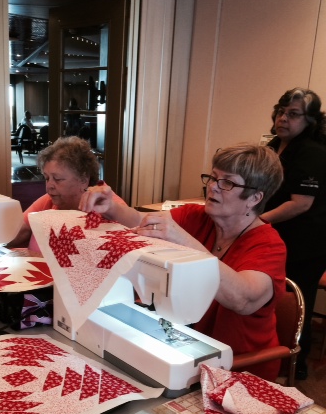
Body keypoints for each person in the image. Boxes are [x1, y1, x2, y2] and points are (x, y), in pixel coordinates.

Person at [80, 143, 287, 382]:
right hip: (194, 352)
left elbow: (243, 299)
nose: (213, 187)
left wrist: (183, 240)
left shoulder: (269, 245)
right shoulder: (198, 217)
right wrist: (112, 208)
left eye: (227, 182)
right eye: (213, 177)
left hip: (241, 368)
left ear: (254, 197)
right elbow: (143, 221)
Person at [0, 135, 125, 254]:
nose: (49, 186)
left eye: (57, 179)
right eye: (46, 178)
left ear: (84, 179)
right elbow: (16, 231)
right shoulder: (50, 202)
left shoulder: (110, 208)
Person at [261, 88, 326, 380]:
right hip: (278, 235)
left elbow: (301, 203)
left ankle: (295, 363)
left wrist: (258, 221)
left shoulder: (313, 152)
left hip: (306, 241)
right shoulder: (273, 145)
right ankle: (272, 352)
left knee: (297, 301)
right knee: (275, 296)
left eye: (293, 114)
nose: (283, 118)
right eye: (281, 111)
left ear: (310, 121)